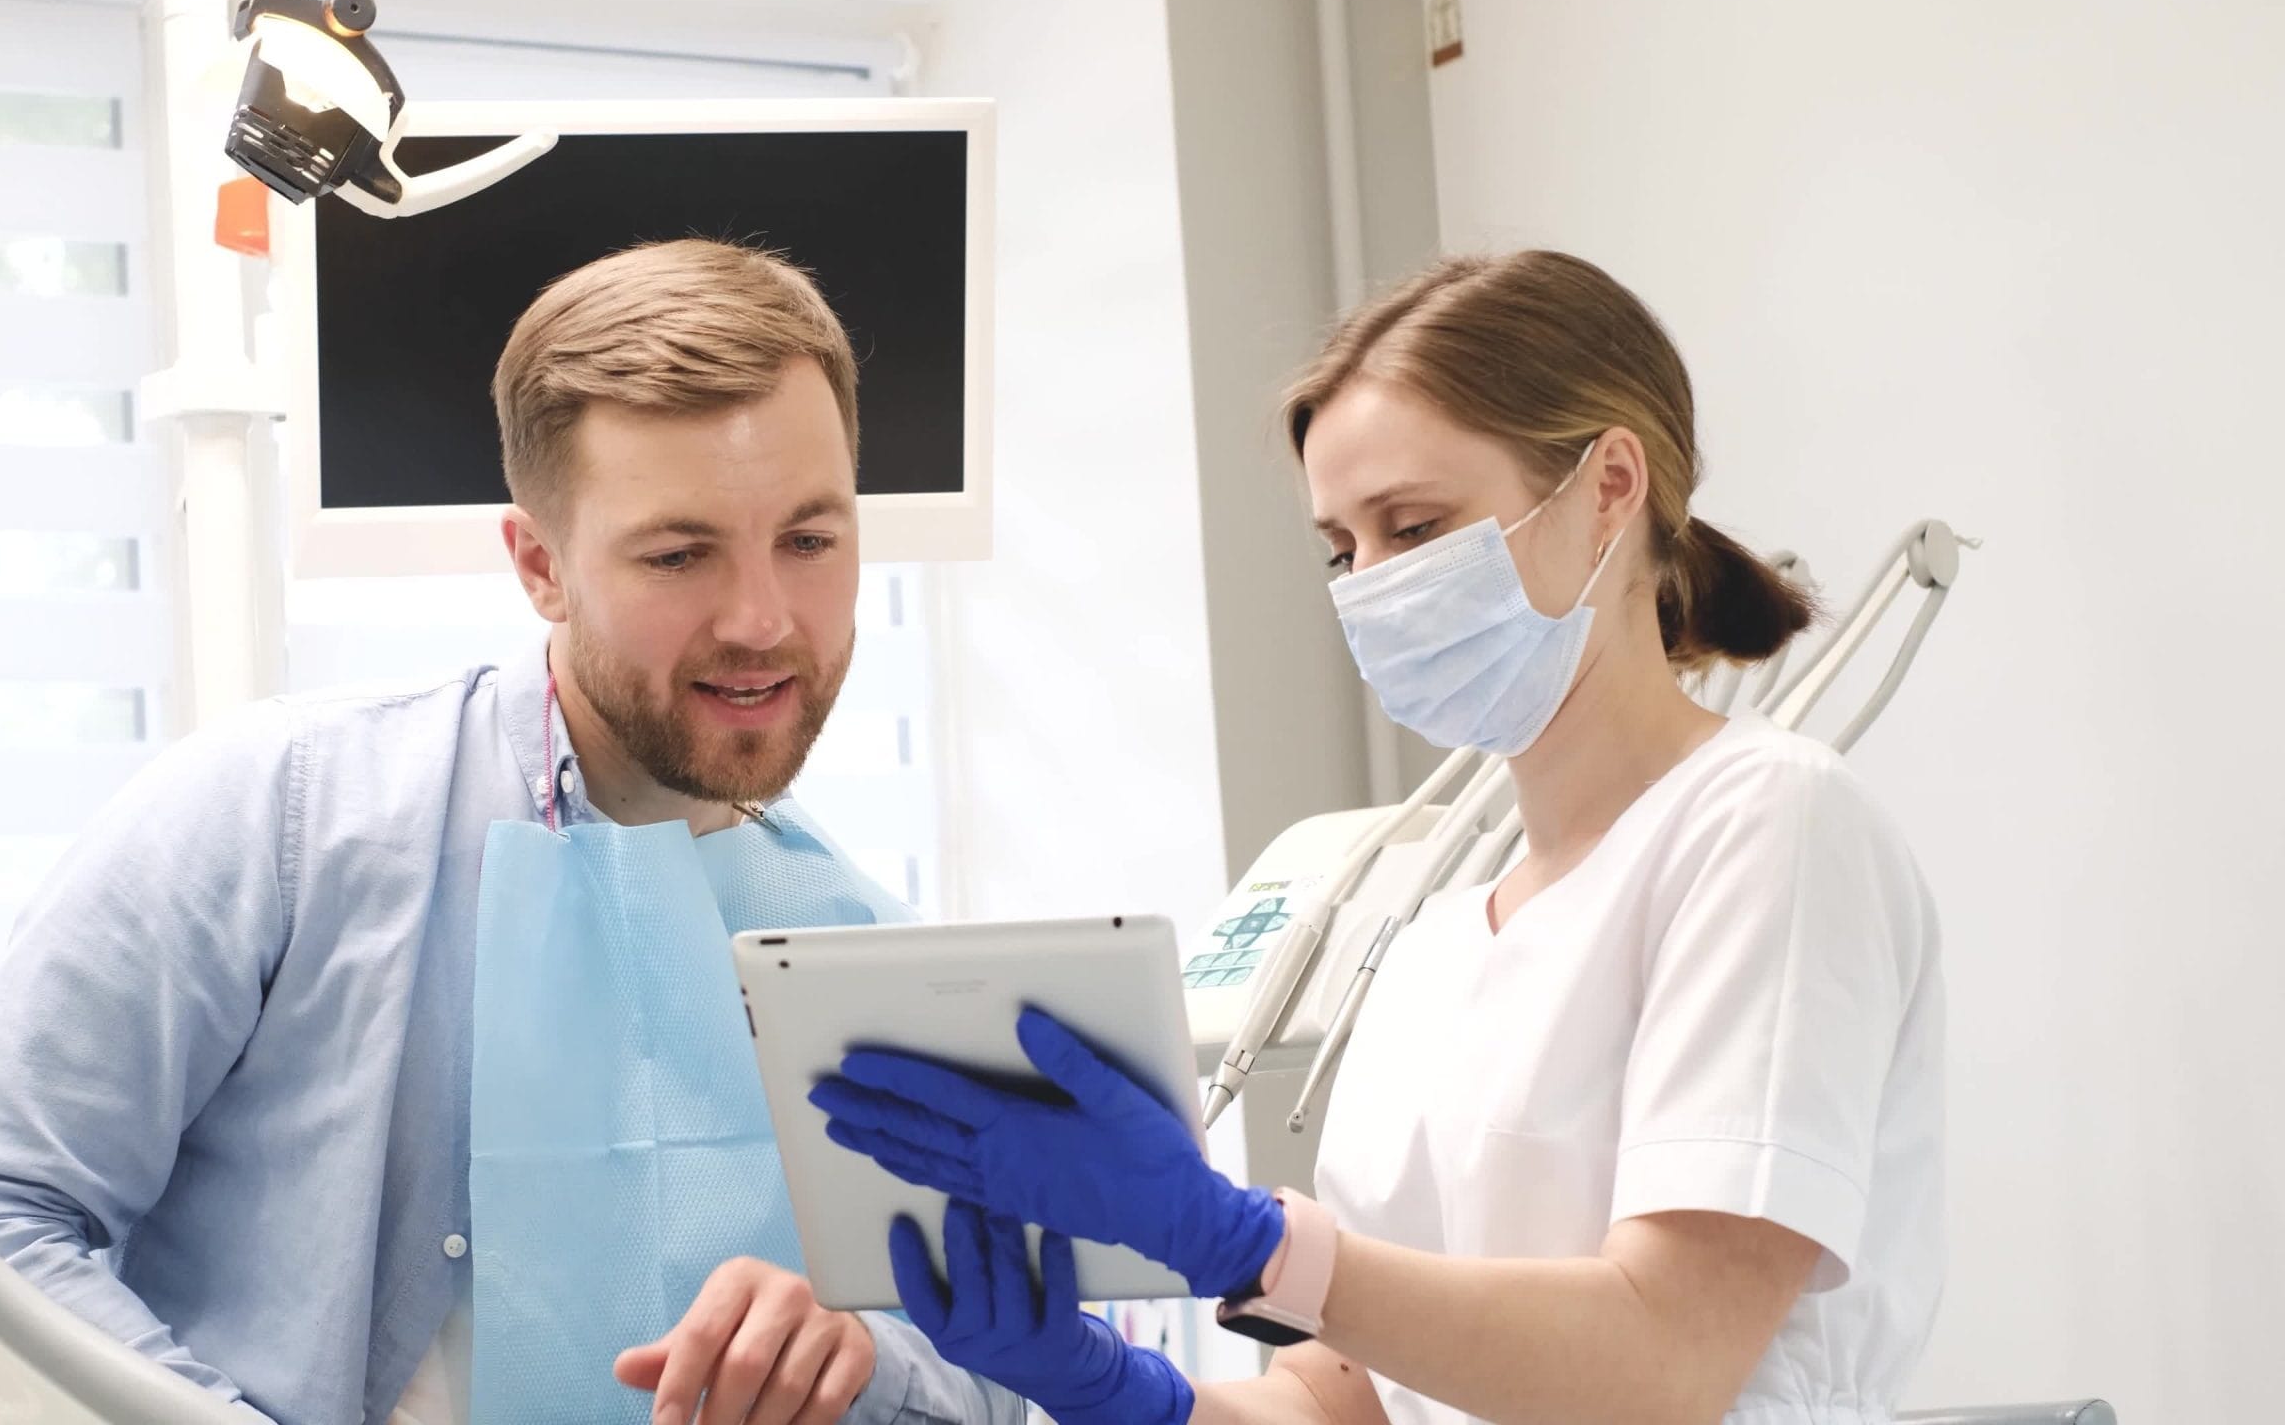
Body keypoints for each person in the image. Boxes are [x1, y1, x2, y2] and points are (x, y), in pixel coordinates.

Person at [0, 240, 1021, 1425]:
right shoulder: (282, 814)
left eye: (809, 539)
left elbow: (1009, 1380)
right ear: (541, 564)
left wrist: (858, 1358)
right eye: (679, 555)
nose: (760, 619)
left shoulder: (853, 942)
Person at [810, 250, 1945, 1425]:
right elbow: (1345, 1395)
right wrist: (1109, 1390)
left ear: (1611, 486)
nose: (1373, 586)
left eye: (1415, 525)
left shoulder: (1767, 823)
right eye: (1342, 548)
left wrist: (1239, 1241)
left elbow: (1663, 1367)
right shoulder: (1437, 940)